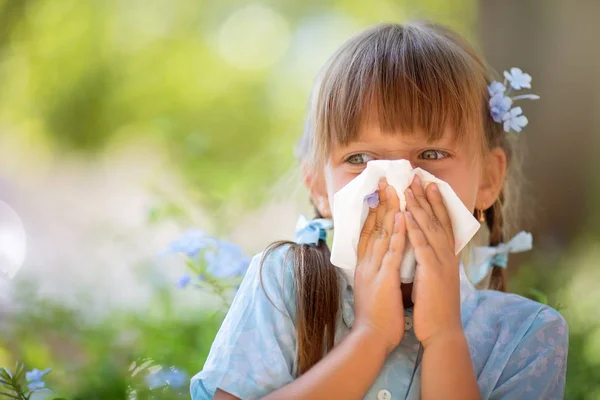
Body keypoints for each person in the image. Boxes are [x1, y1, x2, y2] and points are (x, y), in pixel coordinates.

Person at [190, 22, 568, 400]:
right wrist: (370, 336)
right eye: (359, 158)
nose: (397, 183)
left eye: (431, 154)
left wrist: (444, 337)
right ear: (321, 188)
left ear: (487, 179)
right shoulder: (285, 285)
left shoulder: (528, 336)